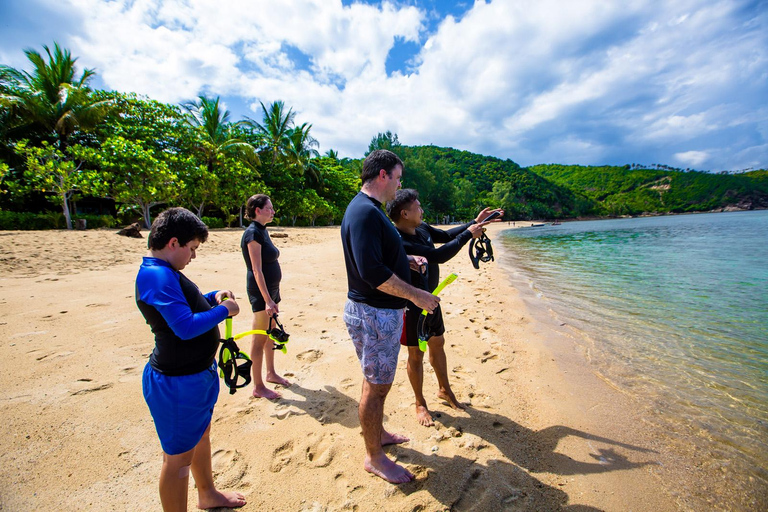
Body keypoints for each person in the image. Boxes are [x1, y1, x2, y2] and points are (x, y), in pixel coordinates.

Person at [340, 149, 440, 484]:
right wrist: (417, 295)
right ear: (382, 175)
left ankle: (377, 434)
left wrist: (407, 263)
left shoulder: (366, 210)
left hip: (370, 310)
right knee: (377, 387)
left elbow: (375, 257)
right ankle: (374, 458)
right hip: (376, 313)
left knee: (374, 380)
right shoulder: (366, 213)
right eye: (397, 177)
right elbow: (371, 272)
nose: (399, 185)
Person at [136, 207, 245, 512]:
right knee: (177, 460)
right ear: (174, 243)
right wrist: (225, 311)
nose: (193, 257)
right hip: (176, 383)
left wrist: (211, 297)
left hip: (194, 376)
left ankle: (207, 493)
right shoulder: (157, 276)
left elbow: (185, 307)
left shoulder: (165, 272)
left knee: (201, 435)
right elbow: (184, 327)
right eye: (192, 249)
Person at [387, 189, 502, 426]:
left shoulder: (422, 228)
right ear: (405, 213)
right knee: (415, 354)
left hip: (432, 299)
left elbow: (447, 236)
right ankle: (420, 402)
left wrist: (475, 222)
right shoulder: (399, 241)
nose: (422, 210)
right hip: (412, 305)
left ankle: (444, 390)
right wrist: (469, 234)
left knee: (438, 343)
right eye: (418, 207)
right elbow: (437, 256)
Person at [241, 194, 290, 399]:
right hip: (261, 293)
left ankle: (271, 373)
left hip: (271, 291)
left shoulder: (262, 231)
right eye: (269, 208)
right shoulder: (252, 233)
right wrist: (268, 300)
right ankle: (258, 386)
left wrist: (273, 296)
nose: (273, 211)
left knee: (271, 333)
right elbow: (256, 270)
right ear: (257, 210)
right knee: (259, 338)